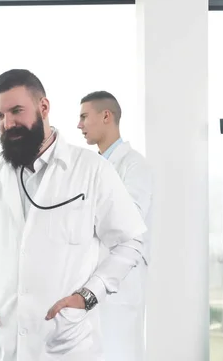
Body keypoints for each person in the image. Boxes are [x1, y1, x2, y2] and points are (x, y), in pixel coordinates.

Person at [0, 69, 147, 361]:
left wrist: (89, 295)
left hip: (67, 345)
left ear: (44, 107)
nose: (8, 123)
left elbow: (130, 242)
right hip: (1, 346)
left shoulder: (91, 170)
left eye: (16, 111)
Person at [78, 91, 153, 361]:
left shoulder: (134, 165)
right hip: (94, 280)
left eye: (84, 116)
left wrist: (85, 213)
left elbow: (128, 221)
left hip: (122, 283)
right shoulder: (93, 167)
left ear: (106, 116)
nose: (79, 125)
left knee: (120, 350)